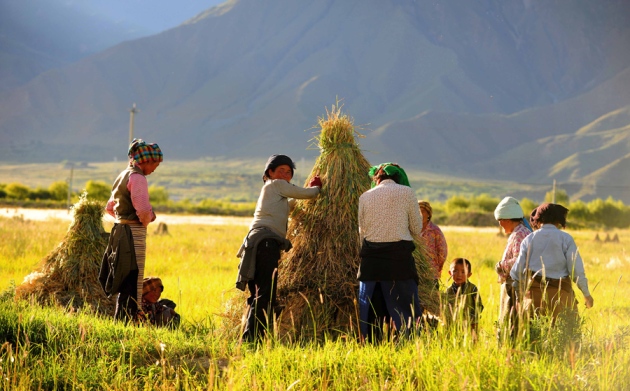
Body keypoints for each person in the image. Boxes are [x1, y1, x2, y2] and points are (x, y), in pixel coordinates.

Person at [236, 154, 322, 342]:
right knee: (265, 293)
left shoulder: (274, 193)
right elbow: (310, 194)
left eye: (288, 171)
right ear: (270, 172)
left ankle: (252, 339)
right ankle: (252, 340)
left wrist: (303, 199)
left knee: (258, 294)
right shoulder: (276, 185)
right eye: (280, 170)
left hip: (256, 243)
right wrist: (316, 186)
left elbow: (291, 205)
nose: (284, 174)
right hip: (266, 243)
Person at [357, 162, 424, 342]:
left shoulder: (364, 196)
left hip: (370, 264)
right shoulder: (407, 192)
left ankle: (371, 345)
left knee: (372, 311)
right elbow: (417, 228)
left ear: (376, 179)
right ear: (400, 178)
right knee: (405, 313)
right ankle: (408, 344)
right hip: (398, 261)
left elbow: (361, 233)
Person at [99, 138, 162, 322]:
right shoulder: (138, 178)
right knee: (133, 281)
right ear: (146, 161)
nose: (154, 169)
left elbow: (110, 207)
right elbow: (142, 210)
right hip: (133, 234)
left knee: (125, 279)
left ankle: (121, 322)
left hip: (119, 231)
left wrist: (123, 219)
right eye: (155, 165)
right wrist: (149, 217)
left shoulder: (123, 175)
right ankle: (126, 322)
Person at [510, 203, 594, 323]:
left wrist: (520, 297)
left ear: (538, 219)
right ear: (558, 220)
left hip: (534, 299)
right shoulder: (566, 239)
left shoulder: (529, 239)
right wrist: (586, 295)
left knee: (534, 338)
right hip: (561, 297)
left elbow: (515, 272)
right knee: (566, 338)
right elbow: (577, 271)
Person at [493, 196, 532, 341]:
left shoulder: (519, 234)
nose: (500, 225)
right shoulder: (520, 232)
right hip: (516, 284)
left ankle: (510, 349)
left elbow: (519, 261)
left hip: (515, 286)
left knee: (511, 321)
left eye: (500, 221)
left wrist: (500, 265)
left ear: (507, 220)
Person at [446, 258, 484, 334]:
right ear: (450, 273)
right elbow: (445, 307)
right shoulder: (448, 290)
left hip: (471, 323)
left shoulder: (472, 288)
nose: (459, 274)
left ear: (469, 275)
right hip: (454, 323)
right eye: (455, 271)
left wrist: (472, 317)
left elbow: (479, 305)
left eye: (463, 272)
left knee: (472, 342)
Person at [418, 200, 448, 287]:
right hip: (414, 272)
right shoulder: (411, 230)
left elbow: (442, 251)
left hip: (431, 272)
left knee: (431, 297)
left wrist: (437, 267)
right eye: (417, 211)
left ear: (428, 214)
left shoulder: (435, 230)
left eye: (422, 211)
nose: (419, 214)